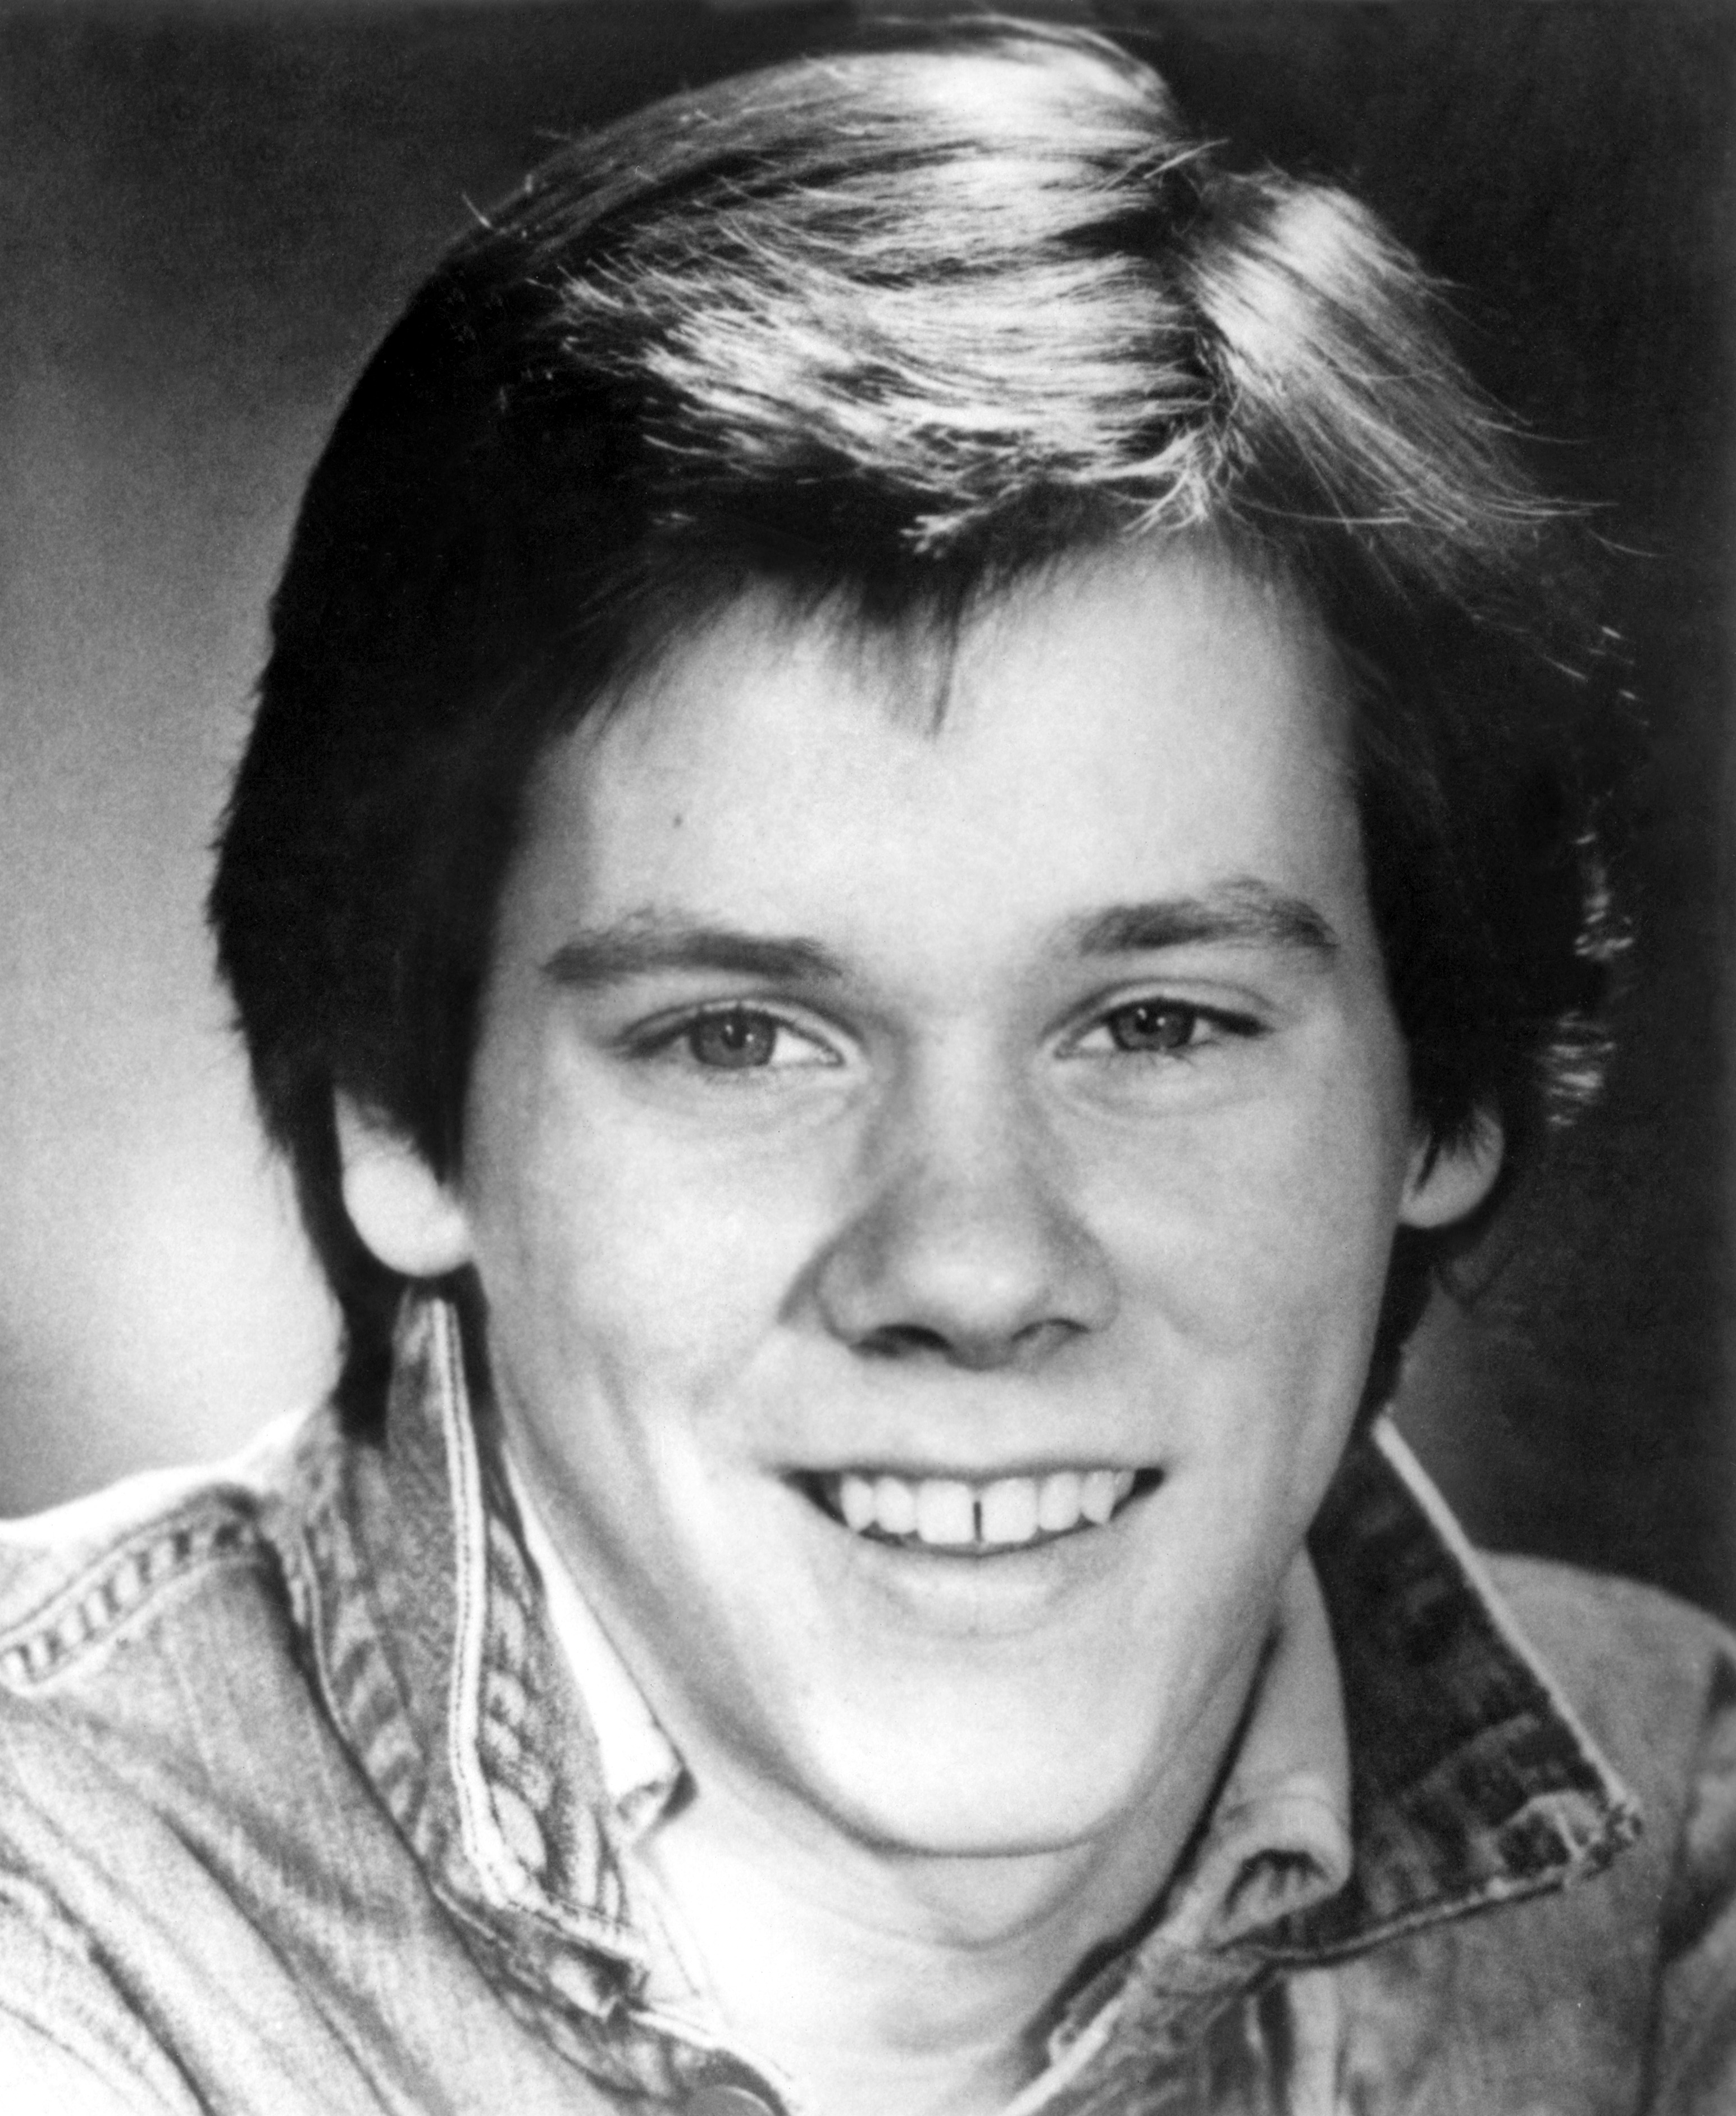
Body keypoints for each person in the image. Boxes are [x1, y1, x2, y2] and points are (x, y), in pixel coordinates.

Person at [1, 18, 1730, 2113]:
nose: (972, 1264)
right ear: (397, 1104)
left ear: (1438, 1092)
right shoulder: (61, 1928)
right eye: (738, 1037)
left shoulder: (1670, 1893)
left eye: (1157, 1023)